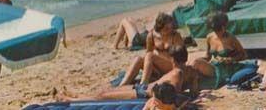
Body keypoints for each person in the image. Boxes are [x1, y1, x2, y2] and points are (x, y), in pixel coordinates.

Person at [63, 46, 198, 102]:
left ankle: (72, 100)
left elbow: (172, 95)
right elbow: (194, 91)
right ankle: (75, 95)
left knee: (103, 96)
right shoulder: (190, 71)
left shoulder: (177, 73)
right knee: (107, 91)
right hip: (142, 88)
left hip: (143, 93)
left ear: (173, 59)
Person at [119, 13, 184, 86]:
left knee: (150, 56)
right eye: (166, 29)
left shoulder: (175, 36)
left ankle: (143, 85)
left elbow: (181, 56)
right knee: (138, 59)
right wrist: (152, 67)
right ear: (160, 28)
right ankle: (122, 85)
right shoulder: (152, 35)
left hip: (171, 65)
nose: (169, 30)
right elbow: (148, 52)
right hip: (157, 66)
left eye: (170, 28)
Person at [190, 12, 247, 89]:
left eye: (219, 29)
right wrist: (198, 60)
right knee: (194, 63)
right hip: (215, 66)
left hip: (227, 68)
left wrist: (230, 59)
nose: (218, 32)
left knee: (197, 65)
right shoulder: (209, 37)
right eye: (215, 30)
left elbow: (243, 55)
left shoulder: (231, 38)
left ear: (224, 26)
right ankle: (193, 84)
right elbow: (208, 57)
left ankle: (195, 85)